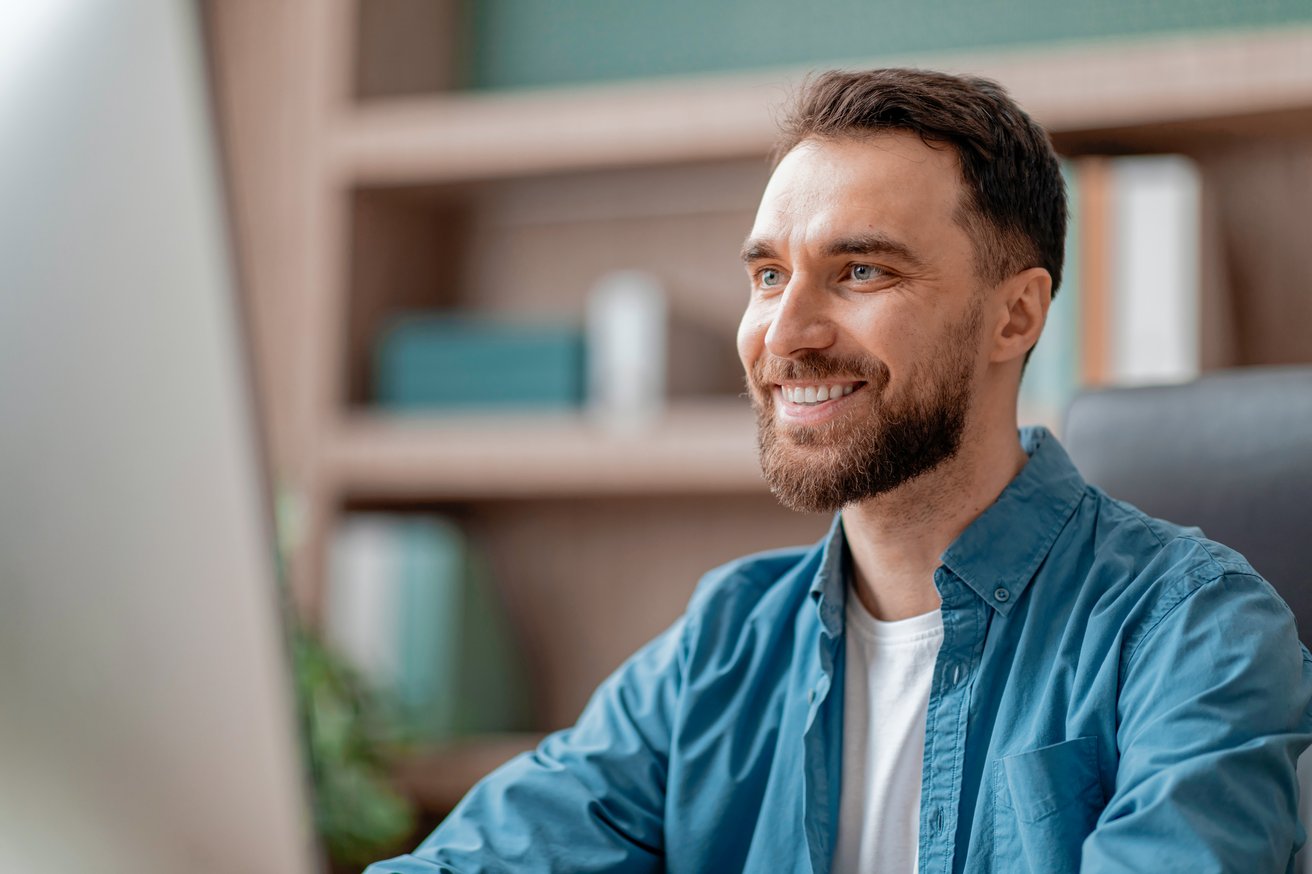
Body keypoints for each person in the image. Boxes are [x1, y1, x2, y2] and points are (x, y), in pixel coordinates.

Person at [366, 68, 1312, 874]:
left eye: (861, 272)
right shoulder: (726, 641)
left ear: (1015, 317)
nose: (785, 333)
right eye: (770, 274)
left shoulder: (1196, 631)